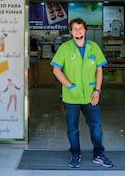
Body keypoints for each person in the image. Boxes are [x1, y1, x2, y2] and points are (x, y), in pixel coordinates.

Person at [50, 18, 113, 168]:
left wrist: (97, 90)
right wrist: (69, 86)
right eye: (75, 29)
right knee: (72, 128)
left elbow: (99, 70)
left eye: (81, 28)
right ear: (71, 32)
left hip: (91, 95)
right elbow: (56, 69)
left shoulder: (94, 47)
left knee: (96, 127)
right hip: (71, 97)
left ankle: (98, 155)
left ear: (85, 30)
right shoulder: (65, 48)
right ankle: (75, 154)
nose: (78, 31)